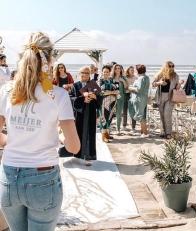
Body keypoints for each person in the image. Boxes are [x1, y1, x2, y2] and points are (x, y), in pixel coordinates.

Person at [0, 32, 80, 231]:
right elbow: (74, 147)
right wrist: (59, 135)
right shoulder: (58, 95)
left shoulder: (6, 91)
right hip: (43, 177)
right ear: (49, 59)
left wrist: (8, 141)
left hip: (8, 177)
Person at [69, 66, 101, 166]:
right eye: (83, 72)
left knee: (89, 135)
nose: (85, 75)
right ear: (80, 73)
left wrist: (95, 97)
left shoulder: (93, 85)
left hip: (90, 113)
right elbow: (70, 98)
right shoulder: (75, 85)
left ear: (89, 74)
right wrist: (82, 99)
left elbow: (100, 100)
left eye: (87, 73)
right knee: (77, 134)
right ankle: (76, 153)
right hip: (79, 114)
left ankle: (89, 157)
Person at [152, 61, 184, 139]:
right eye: (170, 66)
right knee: (162, 115)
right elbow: (153, 84)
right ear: (166, 66)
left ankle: (169, 133)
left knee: (167, 115)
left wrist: (180, 84)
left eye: (173, 66)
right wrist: (160, 83)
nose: (172, 68)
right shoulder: (160, 75)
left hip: (170, 97)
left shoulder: (175, 76)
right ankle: (164, 132)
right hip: (160, 96)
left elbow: (176, 88)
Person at [99, 65, 120, 143]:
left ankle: (106, 132)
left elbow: (117, 88)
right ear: (102, 72)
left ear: (110, 72)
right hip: (104, 102)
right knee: (104, 117)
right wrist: (113, 92)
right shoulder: (101, 81)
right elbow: (103, 92)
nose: (106, 73)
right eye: (104, 72)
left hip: (113, 101)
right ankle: (103, 134)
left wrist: (116, 92)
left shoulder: (111, 80)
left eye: (107, 72)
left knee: (110, 117)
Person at [128, 64, 150, 138]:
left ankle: (145, 133)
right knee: (142, 115)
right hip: (144, 98)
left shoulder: (141, 79)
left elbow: (139, 89)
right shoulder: (147, 78)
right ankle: (143, 132)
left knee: (141, 116)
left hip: (139, 99)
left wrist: (131, 88)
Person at [111, 64, 128, 134]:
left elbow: (126, 87)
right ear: (114, 69)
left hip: (120, 97)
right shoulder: (111, 78)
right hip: (112, 97)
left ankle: (118, 129)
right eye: (116, 68)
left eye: (119, 68)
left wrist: (122, 81)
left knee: (118, 114)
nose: (118, 70)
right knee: (110, 114)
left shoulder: (123, 77)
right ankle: (108, 128)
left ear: (121, 69)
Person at [123, 66, 137, 133]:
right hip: (126, 95)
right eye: (131, 70)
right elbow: (124, 87)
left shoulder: (135, 78)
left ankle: (133, 127)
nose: (132, 71)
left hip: (133, 95)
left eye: (133, 70)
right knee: (125, 111)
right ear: (128, 71)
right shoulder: (125, 78)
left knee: (133, 111)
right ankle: (124, 125)